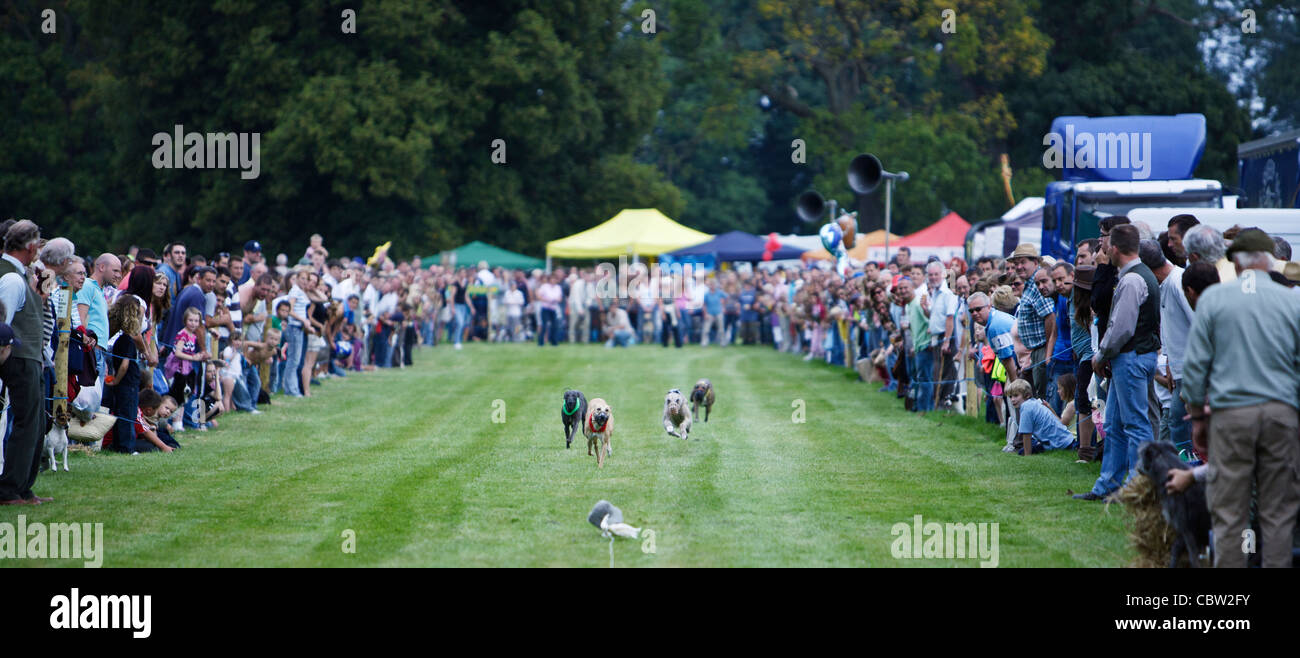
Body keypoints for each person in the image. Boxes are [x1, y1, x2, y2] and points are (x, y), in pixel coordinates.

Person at [1180, 228, 1300, 567]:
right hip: (1281, 412)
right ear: (1270, 260)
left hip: (1231, 415)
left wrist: (1198, 418)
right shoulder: (1293, 301)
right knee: (1278, 511)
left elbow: (1195, 365)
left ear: (1235, 262)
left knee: (1230, 510)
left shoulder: (1215, 300)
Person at [1076, 224, 1160, 501]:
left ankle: (1137, 486)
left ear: (1114, 248)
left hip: (1131, 357)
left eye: (1104, 246)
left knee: (1135, 424)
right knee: (1113, 424)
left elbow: (1121, 327)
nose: (1102, 251)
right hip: (1131, 357)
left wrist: (1101, 354)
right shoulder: (1137, 275)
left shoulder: (1133, 280)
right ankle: (1107, 485)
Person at [0, 220, 52, 505]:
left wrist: (40, 297)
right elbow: (2, 323)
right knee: (26, 423)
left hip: (29, 356)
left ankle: (23, 487)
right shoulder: (10, 278)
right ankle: (9, 488)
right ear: (31, 246)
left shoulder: (20, 276)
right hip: (17, 357)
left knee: (35, 423)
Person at [1007, 243, 1056, 400]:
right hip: (1034, 352)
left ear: (1035, 262)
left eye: (1023, 262)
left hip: (1041, 349)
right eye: (1016, 264)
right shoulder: (1029, 285)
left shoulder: (1037, 284)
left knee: (1041, 397)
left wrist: (1047, 348)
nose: (1019, 267)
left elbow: (1050, 316)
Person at [104, 297, 144, 453]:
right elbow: (125, 365)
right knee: (128, 414)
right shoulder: (127, 340)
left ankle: (118, 444)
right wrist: (116, 380)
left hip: (123, 384)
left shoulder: (120, 339)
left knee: (121, 412)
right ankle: (127, 447)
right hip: (128, 384)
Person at [1005, 379, 1076, 455]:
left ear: (1027, 395)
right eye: (1010, 396)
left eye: (1016, 396)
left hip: (1060, 444)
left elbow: (1026, 435)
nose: (1012, 399)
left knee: (1022, 452)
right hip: (1068, 440)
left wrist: (1027, 456)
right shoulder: (1035, 402)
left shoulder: (1026, 407)